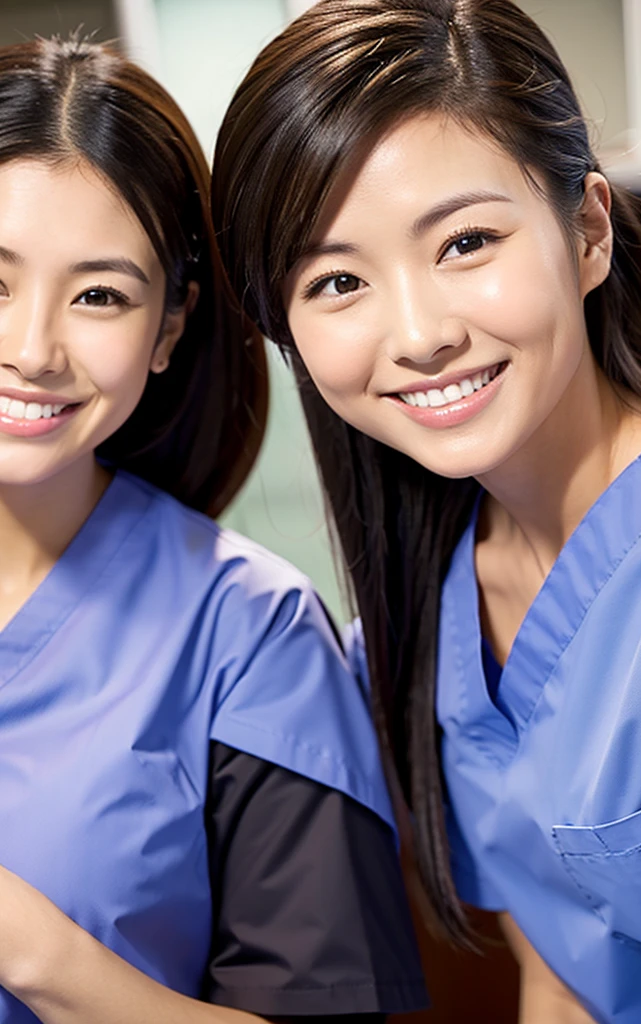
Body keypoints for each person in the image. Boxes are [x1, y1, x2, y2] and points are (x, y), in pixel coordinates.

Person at [211, 0, 641, 1021]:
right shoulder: (417, 617)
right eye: (337, 279)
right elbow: (558, 967)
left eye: (464, 241)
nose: (418, 332)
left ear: (586, 229)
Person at [0, 34, 428, 1024]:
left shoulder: (251, 636)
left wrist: (37, 952)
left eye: (99, 294)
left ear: (169, 328)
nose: (32, 348)